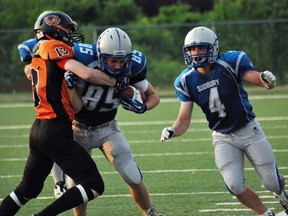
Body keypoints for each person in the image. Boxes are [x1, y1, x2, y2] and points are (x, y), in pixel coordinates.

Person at [0, 11, 128, 216]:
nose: (70, 34)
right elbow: (86, 73)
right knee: (94, 184)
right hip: (55, 130)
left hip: (38, 130)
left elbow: (74, 105)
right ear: (54, 28)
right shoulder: (53, 47)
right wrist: (116, 81)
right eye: (67, 30)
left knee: (27, 190)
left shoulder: (38, 53)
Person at [160, 26, 288, 216]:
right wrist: (172, 130)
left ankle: (281, 193)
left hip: (248, 129)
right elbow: (184, 119)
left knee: (272, 182)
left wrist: (264, 80)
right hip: (222, 137)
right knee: (235, 185)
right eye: (192, 49)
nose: (196, 53)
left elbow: (253, 77)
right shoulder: (185, 80)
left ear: (213, 48)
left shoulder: (230, 61)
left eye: (201, 48)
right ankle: (265, 213)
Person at [65, 27, 162, 216]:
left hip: (107, 129)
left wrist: (143, 107)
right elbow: (75, 107)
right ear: (101, 55)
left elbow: (153, 96)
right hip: (77, 128)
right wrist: (70, 86)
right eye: (113, 61)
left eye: (121, 61)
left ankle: (150, 212)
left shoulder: (133, 67)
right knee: (76, 184)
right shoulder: (84, 62)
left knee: (133, 176)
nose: (117, 66)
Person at [18, 37, 67, 198]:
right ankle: (60, 183)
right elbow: (28, 67)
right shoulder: (37, 45)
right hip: (52, 103)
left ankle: (62, 183)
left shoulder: (60, 44)